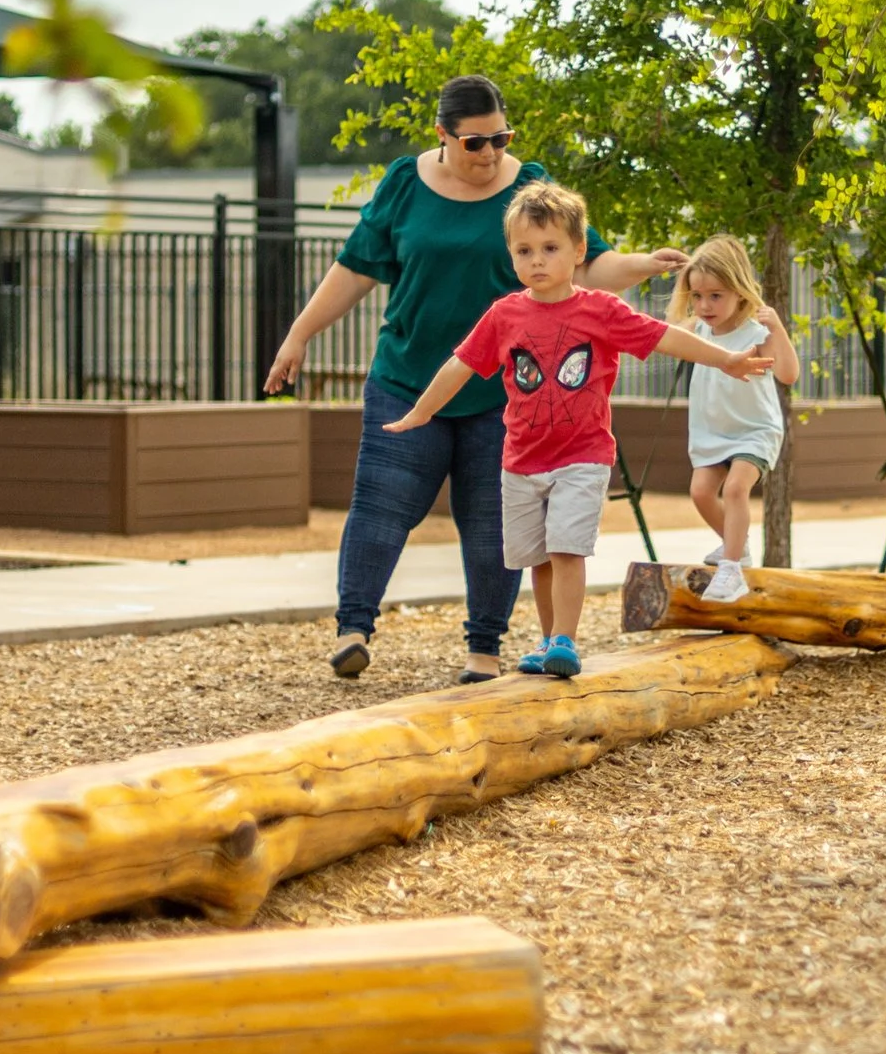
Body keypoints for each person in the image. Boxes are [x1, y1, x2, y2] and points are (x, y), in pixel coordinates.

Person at [263, 75, 688, 684]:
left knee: (492, 525)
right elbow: (355, 269)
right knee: (382, 509)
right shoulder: (405, 185)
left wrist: (646, 263)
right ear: (442, 135)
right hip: (410, 378)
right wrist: (298, 334)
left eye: (500, 138)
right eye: (474, 143)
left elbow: (593, 263)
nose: (489, 153)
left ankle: (482, 651)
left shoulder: (530, 189)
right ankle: (353, 629)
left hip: (503, 396)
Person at [387, 184, 772, 679]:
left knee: (566, 547)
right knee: (538, 558)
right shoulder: (504, 315)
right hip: (522, 460)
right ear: (510, 255)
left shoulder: (599, 310)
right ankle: (549, 640)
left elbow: (662, 337)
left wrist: (728, 360)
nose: (537, 260)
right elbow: (460, 365)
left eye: (550, 248)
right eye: (524, 251)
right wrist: (422, 412)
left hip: (582, 455)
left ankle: (565, 640)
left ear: (578, 251)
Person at [669, 235, 802, 602]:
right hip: (713, 433)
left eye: (716, 295)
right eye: (697, 296)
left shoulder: (756, 332)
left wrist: (778, 328)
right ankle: (737, 547)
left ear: (740, 292)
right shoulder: (698, 330)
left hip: (753, 431)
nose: (704, 304)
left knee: (735, 489)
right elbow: (660, 337)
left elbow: (789, 375)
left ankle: (731, 569)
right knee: (700, 492)